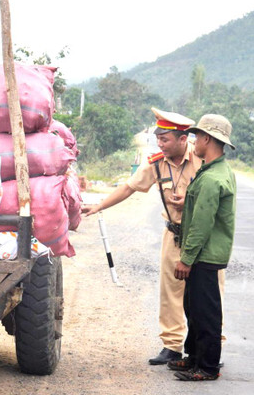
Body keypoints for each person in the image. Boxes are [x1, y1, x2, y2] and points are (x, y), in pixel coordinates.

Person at [82, 108, 203, 365]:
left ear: (183, 139)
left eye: (165, 139)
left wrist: (190, 204)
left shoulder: (202, 159)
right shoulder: (156, 162)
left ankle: (208, 347)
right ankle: (172, 347)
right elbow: (128, 187)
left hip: (202, 235)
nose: (160, 143)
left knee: (207, 292)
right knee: (170, 292)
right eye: (158, 138)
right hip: (174, 235)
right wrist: (99, 206)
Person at [168, 114, 236, 381]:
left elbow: (201, 224)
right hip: (204, 253)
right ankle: (194, 357)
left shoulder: (211, 178)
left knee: (205, 312)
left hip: (204, 255)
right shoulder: (214, 171)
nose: (194, 141)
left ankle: (207, 367)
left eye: (197, 136)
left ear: (208, 139)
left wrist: (186, 258)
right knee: (193, 307)